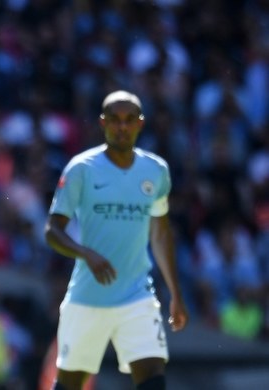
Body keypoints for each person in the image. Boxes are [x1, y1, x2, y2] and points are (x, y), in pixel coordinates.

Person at [43, 90, 189, 390]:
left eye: (129, 120)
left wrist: (175, 293)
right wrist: (87, 254)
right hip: (87, 298)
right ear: (102, 123)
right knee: (70, 383)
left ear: (140, 124)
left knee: (152, 376)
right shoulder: (81, 169)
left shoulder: (156, 171)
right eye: (114, 120)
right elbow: (52, 231)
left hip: (137, 295)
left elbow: (160, 233)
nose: (121, 126)